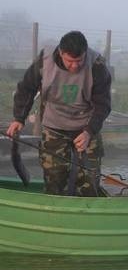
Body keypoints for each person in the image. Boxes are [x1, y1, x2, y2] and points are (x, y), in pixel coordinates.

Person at [6, 31, 112, 196]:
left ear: (85, 53)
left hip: (86, 126)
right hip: (53, 125)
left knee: (89, 181)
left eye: (79, 61)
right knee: (54, 178)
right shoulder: (45, 60)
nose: (75, 66)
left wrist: (89, 132)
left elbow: (103, 105)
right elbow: (26, 88)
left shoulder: (97, 65)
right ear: (61, 53)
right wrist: (19, 118)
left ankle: (89, 211)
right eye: (70, 61)